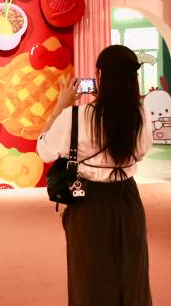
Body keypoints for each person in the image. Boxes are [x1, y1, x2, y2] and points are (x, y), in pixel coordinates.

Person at [37, 45, 154, 306]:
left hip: (89, 202)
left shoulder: (74, 116)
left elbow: (44, 150)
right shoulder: (140, 116)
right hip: (128, 199)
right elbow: (143, 152)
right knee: (131, 277)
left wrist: (59, 107)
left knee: (90, 280)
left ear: (99, 75)